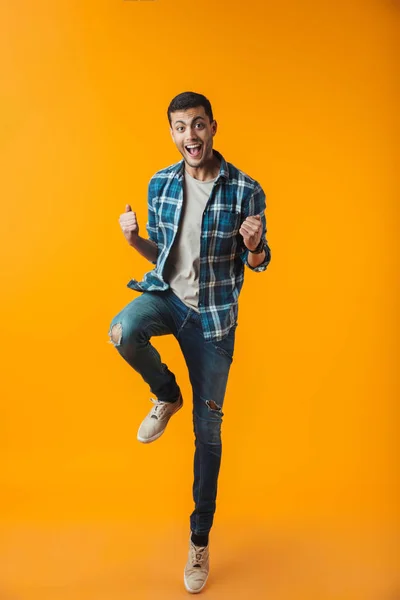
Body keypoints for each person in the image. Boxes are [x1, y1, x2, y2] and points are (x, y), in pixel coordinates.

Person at [108, 91, 271, 594]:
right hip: (167, 299)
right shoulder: (161, 182)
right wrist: (135, 241)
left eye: (198, 125)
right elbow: (164, 252)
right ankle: (165, 393)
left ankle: (198, 541)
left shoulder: (246, 189)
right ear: (173, 133)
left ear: (213, 128)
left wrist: (253, 245)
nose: (190, 136)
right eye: (180, 127)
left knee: (210, 435)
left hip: (213, 322)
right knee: (122, 331)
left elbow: (262, 262)